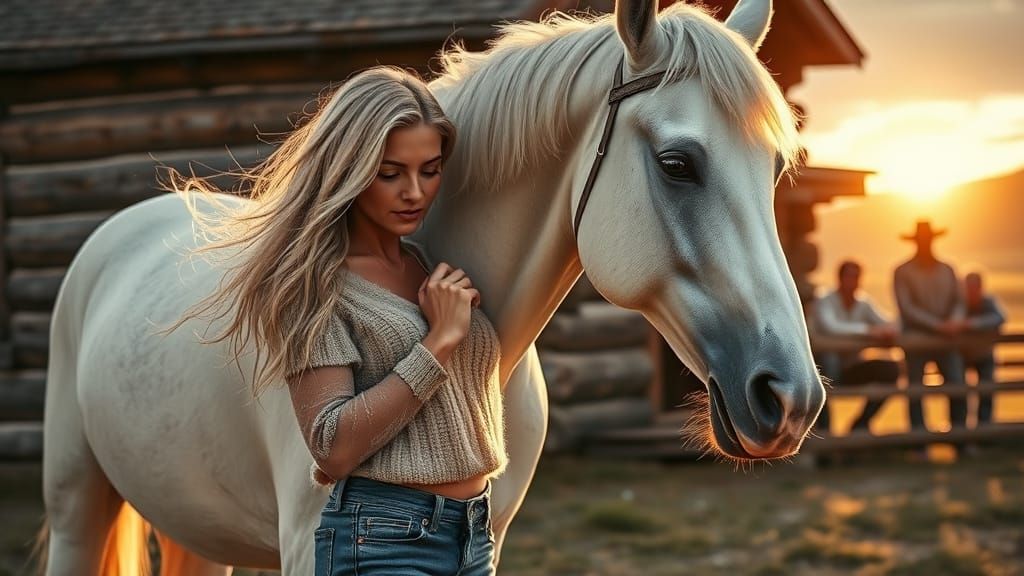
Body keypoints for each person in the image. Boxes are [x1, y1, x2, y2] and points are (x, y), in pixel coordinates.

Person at [160, 67, 504, 575]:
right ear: (348, 170)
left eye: (430, 170)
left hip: (471, 536)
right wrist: (438, 343)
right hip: (383, 541)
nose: (415, 192)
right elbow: (332, 447)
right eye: (390, 174)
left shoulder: (426, 264)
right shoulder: (313, 285)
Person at [893, 220, 966, 431]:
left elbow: (958, 301)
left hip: (946, 339)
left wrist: (954, 322)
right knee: (916, 390)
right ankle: (919, 438)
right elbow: (907, 308)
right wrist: (939, 326)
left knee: (957, 385)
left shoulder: (947, 269)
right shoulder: (903, 271)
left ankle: (959, 435)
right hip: (917, 339)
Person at [811, 260, 900, 434]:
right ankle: (826, 437)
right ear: (839, 278)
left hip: (850, 368)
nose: (853, 281)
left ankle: (860, 424)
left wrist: (889, 329)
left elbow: (885, 322)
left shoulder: (863, 303)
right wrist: (868, 331)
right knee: (827, 364)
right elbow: (831, 327)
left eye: (856, 276)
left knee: (891, 369)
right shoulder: (824, 300)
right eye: (849, 276)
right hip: (823, 370)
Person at [961, 270, 1007, 426]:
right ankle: (961, 428)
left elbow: (1000, 318)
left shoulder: (988, 302)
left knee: (986, 391)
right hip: (963, 354)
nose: (972, 291)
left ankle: (984, 427)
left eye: (975, 287)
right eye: (969, 287)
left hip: (984, 354)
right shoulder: (959, 304)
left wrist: (971, 325)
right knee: (959, 391)